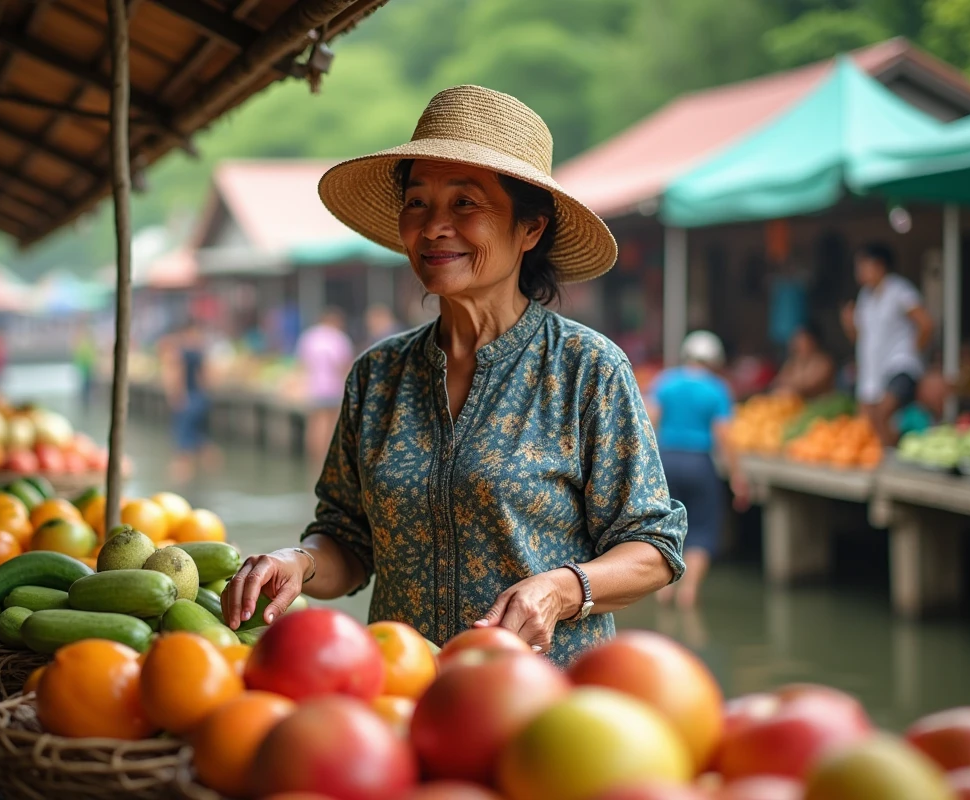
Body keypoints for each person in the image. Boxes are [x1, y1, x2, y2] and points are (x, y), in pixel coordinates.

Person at [222, 85, 686, 665]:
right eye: (417, 203)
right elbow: (347, 540)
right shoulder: (377, 376)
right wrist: (298, 561)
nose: (435, 226)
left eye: (465, 203)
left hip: (546, 707)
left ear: (530, 229)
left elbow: (654, 546)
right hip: (403, 698)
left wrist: (561, 589)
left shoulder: (588, 370)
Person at [645, 331, 749, 610]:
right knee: (701, 528)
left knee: (666, 526)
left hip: (666, 462)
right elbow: (723, 435)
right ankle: (688, 594)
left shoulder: (666, 382)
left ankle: (664, 592)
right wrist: (738, 476)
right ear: (714, 360)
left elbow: (648, 422)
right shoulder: (717, 389)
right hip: (700, 464)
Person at [841, 242, 933, 446]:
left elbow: (925, 324)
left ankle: (893, 458)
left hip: (899, 367)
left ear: (879, 265)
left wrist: (912, 353)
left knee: (883, 414)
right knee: (868, 422)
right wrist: (849, 324)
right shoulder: (865, 296)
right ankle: (885, 458)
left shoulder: (899, 290)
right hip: (874, 372)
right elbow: (861, 338)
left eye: (863, 265)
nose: (859, 272)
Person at [160, 319, 218, 484]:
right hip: (200, 398)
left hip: (188, 400)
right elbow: (206, 377)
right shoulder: (200, 350)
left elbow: (177, 375)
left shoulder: (182, 351)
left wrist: (176, 395)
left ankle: (181, 479)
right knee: (202, 439)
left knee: (182, 444)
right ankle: (208, 476)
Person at [296, 307, 356, 464]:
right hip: (332, 387)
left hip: (313, 387)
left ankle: (313, 458)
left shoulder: (309, 336)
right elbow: (344, 365)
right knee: (329, 424)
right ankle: (326, 457)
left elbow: (302, 363)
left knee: (314, 423)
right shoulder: (338, 338)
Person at [772, 323, 835, 400]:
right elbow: (778, 382)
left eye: (802, 340)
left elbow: (810, 387)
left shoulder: (824, 362)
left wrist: (790, 388)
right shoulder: (793, 363)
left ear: (813, 341)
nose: (798, 344)